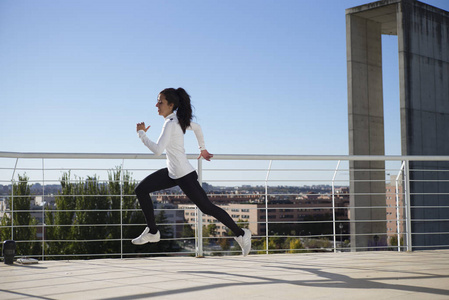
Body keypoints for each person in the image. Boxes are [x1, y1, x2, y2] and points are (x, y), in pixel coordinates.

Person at [133, 87, 251, 256]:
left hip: (184, 175)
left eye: (160, 101)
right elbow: (197, 127)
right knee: (141, 189)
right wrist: (202, 149)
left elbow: (158, 150)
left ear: (171, 104)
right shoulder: (177, 121)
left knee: (207, 207)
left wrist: (141, 134)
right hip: (172, 172)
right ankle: (152, 232)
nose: (156, 105)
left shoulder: (171, 123)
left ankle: (241, 233)